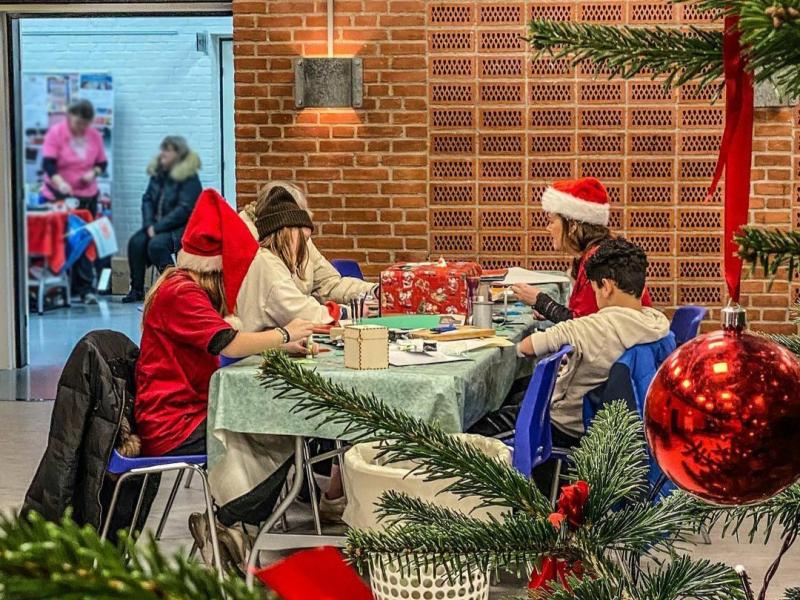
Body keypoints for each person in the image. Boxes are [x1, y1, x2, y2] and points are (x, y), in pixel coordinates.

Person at [134, 189, 314, 568]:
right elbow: (227, 343)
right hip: (172, 423)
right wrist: (285, 335)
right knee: (281, 432)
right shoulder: (179, 293)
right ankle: (228, 522)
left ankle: (233, 527)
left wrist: (281, 345)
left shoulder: (183, 288)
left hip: (189, 410)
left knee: (281, 432)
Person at [516, 238, 670, 491]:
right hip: (628, 429)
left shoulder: (589, 327)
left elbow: (527, 347)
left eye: (595, 290)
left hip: (571, 427)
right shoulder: (658, 325)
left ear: (606, 287)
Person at [236, 183, 377, 330]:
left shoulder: (274, 254)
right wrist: (346, 312)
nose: (305, 246)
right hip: (254, 349)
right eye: (303, 238)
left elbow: (328, 283)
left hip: (272, 341)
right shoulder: (265, 262)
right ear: (287, 231)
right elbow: (299, 311)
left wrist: (373, 291)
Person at [511, 177, 651, 322]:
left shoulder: (599, 260)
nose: (548, 228)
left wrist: (541, 302)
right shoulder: (591, 254)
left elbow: (583, 325)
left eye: (551, 221)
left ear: (573, 226)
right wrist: (549, 311)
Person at [41, 99, 108, 304]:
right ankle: (60, 289)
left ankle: (85, 289)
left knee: (85, 240)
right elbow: (49, 164)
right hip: (60, 195)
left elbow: (102, 163)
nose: (81, 128)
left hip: (87, 196)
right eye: (77, 123)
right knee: (65, 241)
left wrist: (93, 173)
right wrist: (60, 183)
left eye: (84, 124)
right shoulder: (56, 134)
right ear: (69, 117)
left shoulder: (94, 136)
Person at [122, 136, 202, 303]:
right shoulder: (159, 175)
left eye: (168, 150)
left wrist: (157, 227)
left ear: (179, 154)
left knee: (156, 245)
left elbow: (185, 209)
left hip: (181, 228)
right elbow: (147, 199)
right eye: (163, 149)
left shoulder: (189, 178)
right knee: (136, 243)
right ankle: (137, 289)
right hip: (156, 227)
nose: (163, 153)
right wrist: (149, 224)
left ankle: (176, 287)